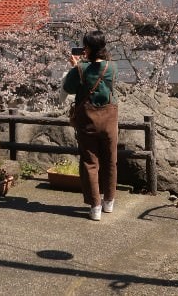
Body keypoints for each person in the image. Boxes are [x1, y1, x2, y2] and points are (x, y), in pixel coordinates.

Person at [62, 30, 118, 221]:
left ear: (87, 48)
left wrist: (76, 66)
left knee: (90, 162)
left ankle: (95, 207)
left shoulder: (81, 69)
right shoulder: (112, 67)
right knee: (111, 160)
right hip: (109, 119)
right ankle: (109, 202)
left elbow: (68, 88)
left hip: (88, 119)